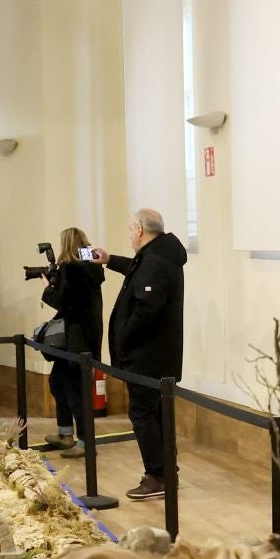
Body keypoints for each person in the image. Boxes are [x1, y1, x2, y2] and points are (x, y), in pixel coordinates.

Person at [98, 209, 186, 501]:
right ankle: (165, 471)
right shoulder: (158, 255)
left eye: (129, 229)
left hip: (146, 356)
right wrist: (110, 260)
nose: (129, 234)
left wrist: (123, 339)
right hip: (155, 356)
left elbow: (146, 309)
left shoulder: (156, 261)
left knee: (144, 414)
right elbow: (138, 271)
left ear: (138, 229)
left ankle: (158, 475)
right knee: (156, 414)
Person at [38, 226, 105, 458]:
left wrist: (48, 288)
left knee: (76, 393)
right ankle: (65, 433)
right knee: (58, 382)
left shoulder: (71, 268)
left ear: (66, 244)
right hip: (88, 337)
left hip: (74, 341)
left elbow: (65, 301)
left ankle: (86, 444)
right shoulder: (92, 268)